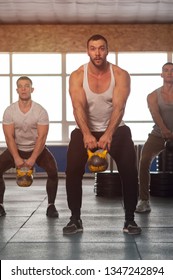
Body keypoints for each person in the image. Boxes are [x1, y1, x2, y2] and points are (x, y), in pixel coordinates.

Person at [63, 34, 141, 235]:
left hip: (116, 129)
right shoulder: (77, 75)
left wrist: (108, 134)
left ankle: (130, 220)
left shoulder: (120, 74)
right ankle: (75, 219)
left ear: (107, 50)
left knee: (130, 172)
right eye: (93, 48)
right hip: (85, 129)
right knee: (72, 171)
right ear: (87, 50)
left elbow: (119, 107)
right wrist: (87, 134)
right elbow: (77, 107)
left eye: (101, 48)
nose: (97, 53)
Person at [0, 76, 59, 218]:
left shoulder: (40, 111)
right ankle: (0, 205)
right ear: (17, 90)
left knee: (53, 172)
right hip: (16, 148)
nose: (24, 88)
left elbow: (42, 137)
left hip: (37, 149)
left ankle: (51, 205)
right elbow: (9, 137)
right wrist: (16, 157)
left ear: (32, 89)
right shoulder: (10, 111)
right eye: (20, 86)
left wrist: (33, 158)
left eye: (27, 86)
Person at [136, 62, 173, 213]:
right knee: (144, 161)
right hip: (159, 134)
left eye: (172, 70)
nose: (169, 73)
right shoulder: (152, 95)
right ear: (161, 74)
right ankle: (144, 200)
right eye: (166, 70)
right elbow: (155, 114)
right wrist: (165, 130)